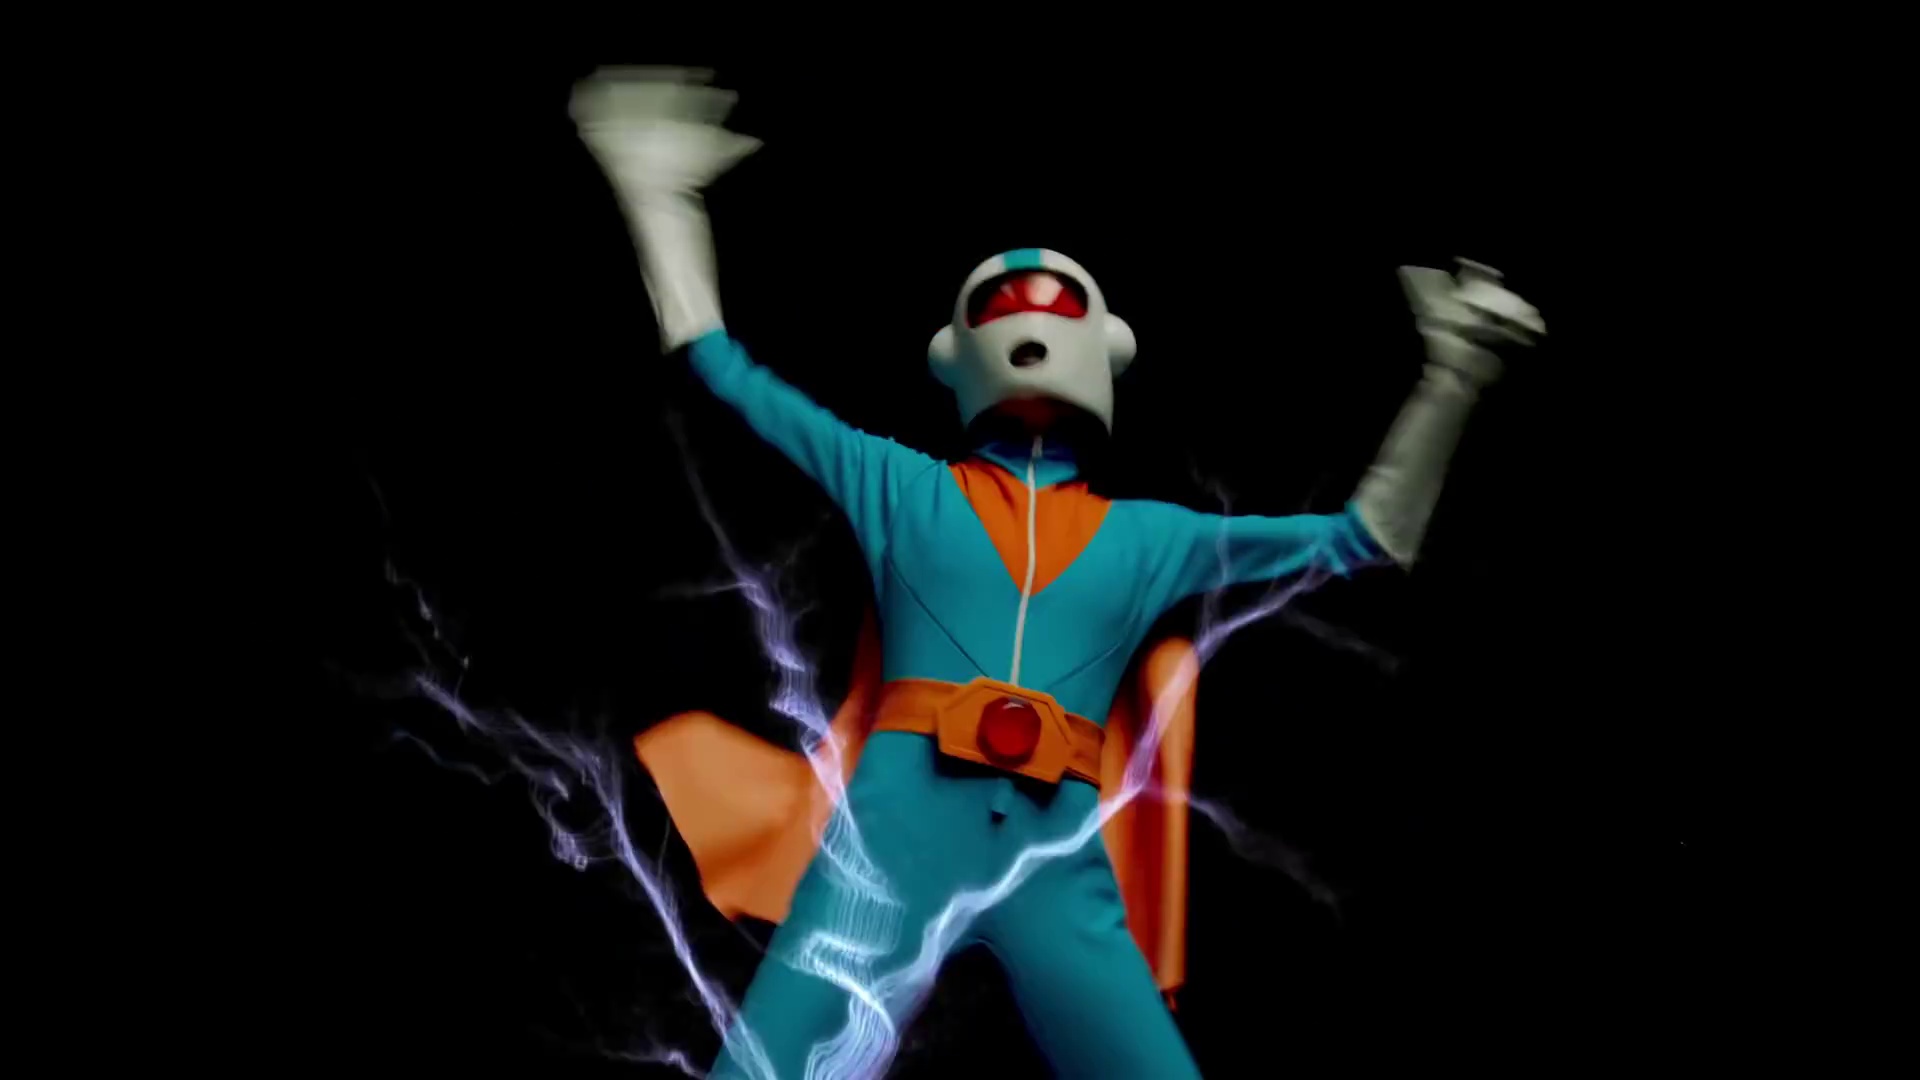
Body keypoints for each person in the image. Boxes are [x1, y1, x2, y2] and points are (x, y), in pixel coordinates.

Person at [571, 69, 1545, 1080]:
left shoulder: (1149, 540)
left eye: (1057, 307)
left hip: (1056, 854)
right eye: (1000, 308)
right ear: (954, 356)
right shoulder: (900, 487)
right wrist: (657, 193)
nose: (1030, 317)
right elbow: (723, 366)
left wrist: (1454, 375)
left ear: (1108, 350)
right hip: (898, 838)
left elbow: (1368, 537)